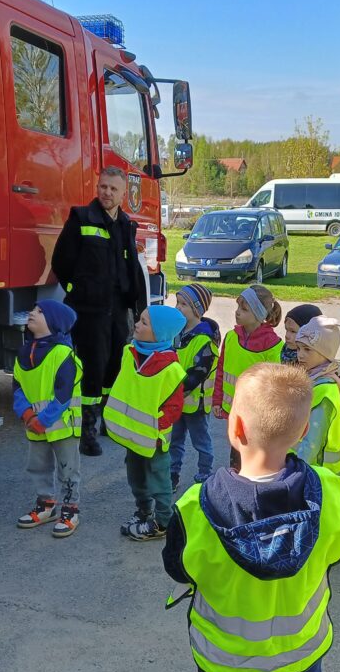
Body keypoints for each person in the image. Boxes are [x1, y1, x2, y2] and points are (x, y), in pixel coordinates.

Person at [161, 363, 340, 672]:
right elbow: (336, 548)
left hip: (224, 665)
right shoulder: (330, 493)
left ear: (235, 428)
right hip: (298, 659)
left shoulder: (195, 508)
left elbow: (178, 569)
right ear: (302, 434)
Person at [51, 166, 148, 457]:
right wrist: (80, 289)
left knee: (115, 366)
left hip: (118, 309)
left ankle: (107, 420)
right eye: (103, 187)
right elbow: (61, 262)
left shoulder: (126, 224)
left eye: (113, 189)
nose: (107, 192)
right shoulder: (81, 218)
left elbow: (130, 268)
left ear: (122, 195)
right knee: (92, 367)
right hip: (89, 310)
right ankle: (87, 432)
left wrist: (136, 305)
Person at [105, 305, 187, 541]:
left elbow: (174, 407)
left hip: (154, 439)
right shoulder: (129, 352)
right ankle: (143, 512)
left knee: (159, 480)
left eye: (144, 322)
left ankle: (163, 521)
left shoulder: (172, 369)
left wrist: (154, 425)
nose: (137, 325)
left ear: (160, 333)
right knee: (136, 477)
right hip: (133, 436)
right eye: (139, 320)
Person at [12, 300, 83, 537]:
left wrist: (42, 420)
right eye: (33, 309)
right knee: (38, 466)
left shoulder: (63, 354)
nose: (32, 312)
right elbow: (18, 386)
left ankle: (70, 510)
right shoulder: (25, 350)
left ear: (53, 323)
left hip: (61, 426)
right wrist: (27, 413)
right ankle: (46, 506)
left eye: (39, 312)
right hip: (35, 424)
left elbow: (63, 395)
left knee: (68, 469)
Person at [212, 285, 284, 469]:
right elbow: (221, 370)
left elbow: (274, 388)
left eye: (244, 309)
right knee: (236, 453)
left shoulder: (274, 346)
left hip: (257, 417)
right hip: (233, 410)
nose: (237, 313)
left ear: (260, 314)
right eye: (237, 307)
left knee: (253, 458)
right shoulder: (230, 337)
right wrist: (217, 401)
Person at [170, 283, 220, 494]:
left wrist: (177, 391)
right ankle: (172, 474)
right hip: (176, 401)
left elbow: (199, 372)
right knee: (175, 441)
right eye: (177, 302)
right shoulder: (177, 334)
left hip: (195, 403)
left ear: (197, 310)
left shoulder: (204, 340)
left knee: (202, 442)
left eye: (184, 304)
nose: (178, 308)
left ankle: (205, 474)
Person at [293, 316, 340, 476]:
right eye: (298, 348)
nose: (300, 355)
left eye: (307, 349)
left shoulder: (324, 389)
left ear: (326, 353)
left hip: (315, 472)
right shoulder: (316, 378)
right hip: (314, 470)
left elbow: (312, 442)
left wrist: (296, 474)